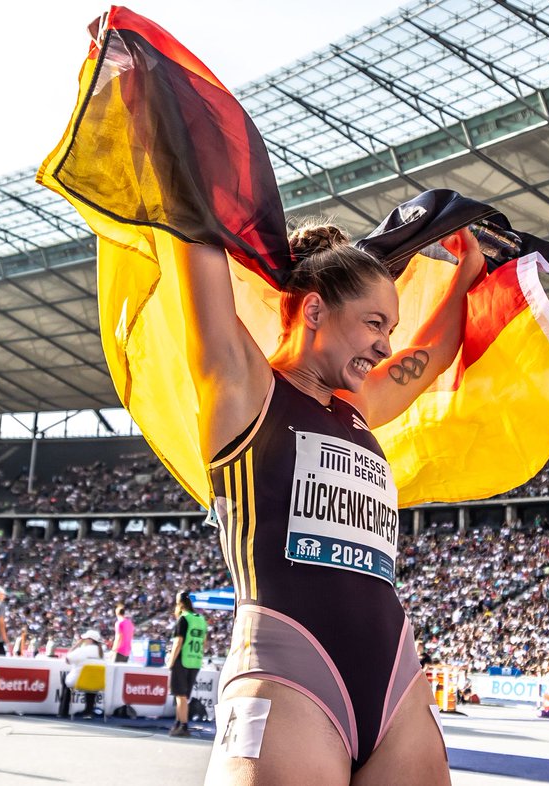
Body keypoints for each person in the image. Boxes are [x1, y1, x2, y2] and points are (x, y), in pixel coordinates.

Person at [183, 221, 483, 784]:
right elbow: (193, 237)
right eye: (374, 323)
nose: (387, 345)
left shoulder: (359, 407)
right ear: (316, 310)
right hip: (288, 675)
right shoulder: (244, 387)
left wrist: (468, 269)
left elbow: (434, 352)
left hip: (396, 682)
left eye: (390, 328)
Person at [167, 591, 207, 738]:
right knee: (183, 696)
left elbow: (178, 642)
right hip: (195, 661)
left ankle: (183, 725)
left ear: (179, 604)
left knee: (180, 695)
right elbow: (204, 642)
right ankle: (178, 723)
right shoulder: (201, 619)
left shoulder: (183, 618)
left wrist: (171, 661)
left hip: (182, 660)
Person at [58, 630, 105, 718]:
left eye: (85, 639)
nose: (83, 640)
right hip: (96, 683)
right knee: (91, 685)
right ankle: (88, 712)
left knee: (66, 681)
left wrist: (77, 645)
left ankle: (63, 712)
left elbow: (67, 660)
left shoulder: (82, 650)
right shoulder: (102, 653)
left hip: (78, 681)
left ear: (90, 640)